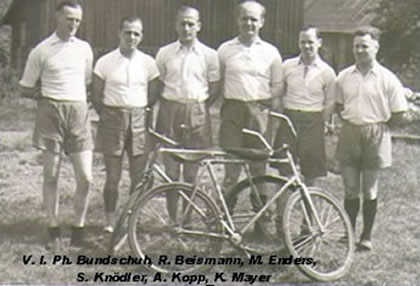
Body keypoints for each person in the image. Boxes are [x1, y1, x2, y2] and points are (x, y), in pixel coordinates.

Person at [19, 0, 93, 250]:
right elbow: (26, 87)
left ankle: (78, 228)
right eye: (69, 18)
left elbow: (86, 80)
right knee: (51, 174)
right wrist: (45, 97)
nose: (73, 24)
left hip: (79, 112)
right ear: (57, 18)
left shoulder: (84, 49)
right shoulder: (41, 50)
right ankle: (53, 226)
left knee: (86, 177)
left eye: (77, 20)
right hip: (51, 112)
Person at [335, 26, 408, 251]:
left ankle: (366, 237)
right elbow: (339, 106)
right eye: (356, 46)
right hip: (350, 131)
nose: (359, 50)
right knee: (349, 187)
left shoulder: (387, 78)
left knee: (369, 189)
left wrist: (382, 128)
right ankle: (348, 233)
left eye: (364, 46)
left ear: (376, 48)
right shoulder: (344, 77)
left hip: (376, 133)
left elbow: (400, 113)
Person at [92, 17, 160, 233]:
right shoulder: (105, 62)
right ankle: (110, 222)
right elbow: (96, 95)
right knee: (113, 176)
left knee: (138, 176)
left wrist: (137, 113)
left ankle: (132, 220)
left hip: (139, 118)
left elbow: (152, 95)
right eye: (128, 32)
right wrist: (112, 115)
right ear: (119, 33)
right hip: (112, 119)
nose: (131, 37)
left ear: (141, 36)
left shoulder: (149, 63)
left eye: (136, 34)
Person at [217, 0, 283, 211]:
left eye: (253, 19)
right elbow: (218, 82)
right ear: (238, 20)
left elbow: (278, 85)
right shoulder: (225, 49)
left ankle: (261, 220)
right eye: (244, 18)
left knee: (258, 168)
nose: (249, 23)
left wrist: (261, 104)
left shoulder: (271, 52)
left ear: (261, 22)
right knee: (231, 168)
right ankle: (225, 220)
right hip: (232, 112)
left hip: (258, 113)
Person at [155, 6, 220, 184]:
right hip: (170, 111)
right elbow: (158, 85)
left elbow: (214, 88)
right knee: (171, 172)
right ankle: (173, 213)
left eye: (190, 24)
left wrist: (197, 108)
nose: (186, 28)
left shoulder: (210, 55)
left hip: (197, 111)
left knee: (192, 173)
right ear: (175, 25)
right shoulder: (164, 53)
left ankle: (188, 213)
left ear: (198, 26)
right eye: (182, 24)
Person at [275, 25, 336, 186]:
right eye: (303, 42)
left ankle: (309, 210)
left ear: (319, 43)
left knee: (311, 171)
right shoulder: (287, 66)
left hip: (313, 120)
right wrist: (283, 114)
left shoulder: (327, 72)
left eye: (310, 42)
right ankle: (281, 211)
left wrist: (320, 121)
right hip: (289, 118)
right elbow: (280, 92)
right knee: (284, 169)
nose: (306, 46)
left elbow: (330, 101)